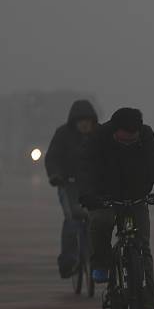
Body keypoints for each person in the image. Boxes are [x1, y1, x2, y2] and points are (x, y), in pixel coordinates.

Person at [79, 107, 154, 309]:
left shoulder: (147, 136)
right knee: (100, 222)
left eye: (133, 140)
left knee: (143, 249)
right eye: (125, 140)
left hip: (136, 197)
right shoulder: (99, 138)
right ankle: (101, 263)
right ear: (115, 130)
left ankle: (148, 308)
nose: (130, 143)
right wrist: (88, 195)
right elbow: (85, 167)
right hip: (105, 197)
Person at [45, 100, 99, 278]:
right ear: (74, 122)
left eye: (88, 120)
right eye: (80, 120)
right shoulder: (63, 134)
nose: (84, 124)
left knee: (98, 221)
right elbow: (52, 157)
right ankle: (68, 262)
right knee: (72, 221)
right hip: (69, 185)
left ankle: (95, 258)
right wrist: (55, 175)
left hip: (92, 186)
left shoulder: (100, 135)